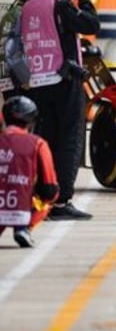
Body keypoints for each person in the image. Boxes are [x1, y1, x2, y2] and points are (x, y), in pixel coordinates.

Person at [6, 0, 100, 219]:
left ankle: (44, 196)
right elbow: (91, 25)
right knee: (69, 141)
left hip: (37, 84)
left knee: (46, 139)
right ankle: (61, 202)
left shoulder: (27, 7)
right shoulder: (59, 6)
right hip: (64, 81)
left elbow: (15, 48)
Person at [0, 96, 59, 247]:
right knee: (50, 196)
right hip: (20, 210)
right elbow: (49, 188)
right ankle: (24, 229)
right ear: (31, 120)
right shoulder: (38, 144)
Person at [2, 0, 47, 97]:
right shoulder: (24, 13)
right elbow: (13, 51)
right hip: (20, 78)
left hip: (12, 75)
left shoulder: (16, 9)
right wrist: (26, 78)